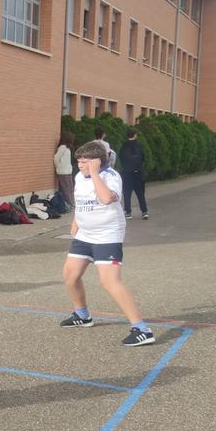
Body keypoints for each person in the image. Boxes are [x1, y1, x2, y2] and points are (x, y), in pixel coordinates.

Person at [59, 141, 155, 347]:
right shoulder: (79, 176)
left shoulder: (111, 177)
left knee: (109, 282)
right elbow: (80, 199)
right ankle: (82, 315)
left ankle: (142, 329)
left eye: (84, 162)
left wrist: (94, 174)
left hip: (107, 236)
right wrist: (76, 220)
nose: (80, 166)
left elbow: (105, 198)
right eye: (79, 161)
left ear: (96, 162)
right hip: (85, 235)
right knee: (70, 275)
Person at [118, 129, 148, 220]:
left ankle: (128, 212)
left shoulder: (123, 146)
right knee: (140, 193)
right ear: (135, 135)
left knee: (127, 193)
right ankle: (144, 212)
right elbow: (143, 157)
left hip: (127, 173)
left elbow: (120, 158)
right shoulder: (139, 146)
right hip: (138, 173)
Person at [54, 131, 74, 206]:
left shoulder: (67, 148)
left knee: (70, 187)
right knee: (66, 189)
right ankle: (71, 204)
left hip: (68, 171)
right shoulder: (62, 148)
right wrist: (58, 167)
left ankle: (72, 202)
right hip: (63, 171)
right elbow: (56, 158)